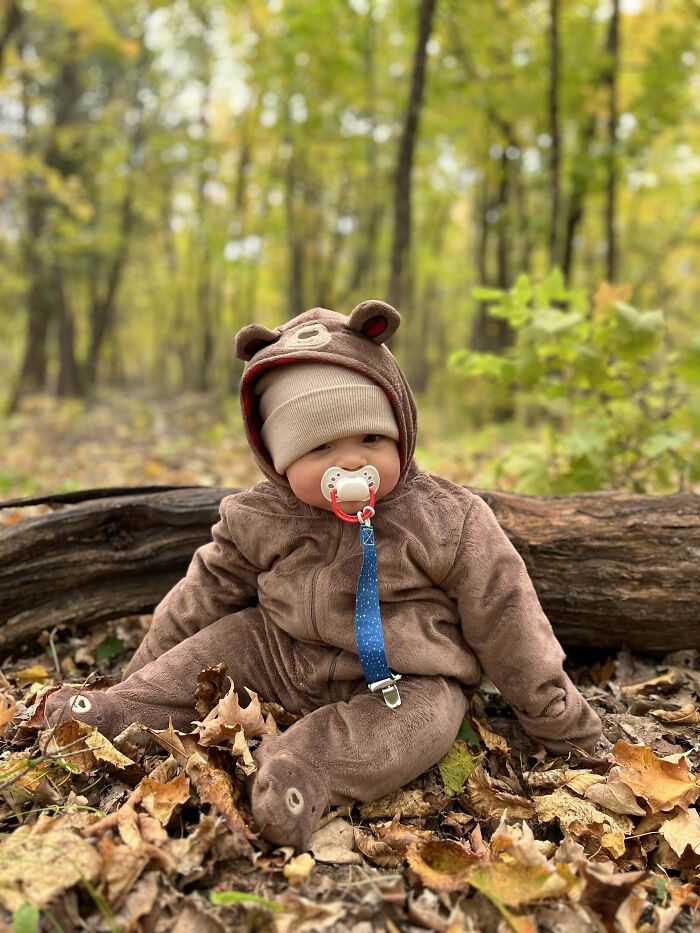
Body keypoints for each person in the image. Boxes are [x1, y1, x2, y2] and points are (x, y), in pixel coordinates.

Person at [45, 299, 603, 849]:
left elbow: (507, 617)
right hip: (280, 652)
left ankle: (301, 774)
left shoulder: (445, 518)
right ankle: (116, 712)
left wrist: (559, 721)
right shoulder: (261, 515)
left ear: (400, 431)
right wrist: (142, 669)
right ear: (279, 457)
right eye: (321, 447)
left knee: (423, 725)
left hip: (407, 673)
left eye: (371, 439)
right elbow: (202, 596)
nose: (354, 461)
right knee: (213, 649)